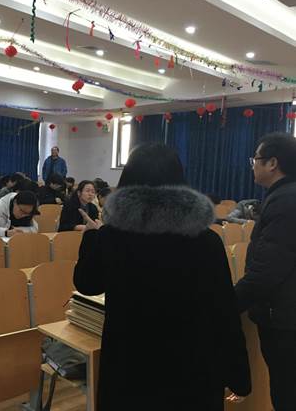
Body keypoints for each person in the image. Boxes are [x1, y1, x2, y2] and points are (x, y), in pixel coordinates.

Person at [73, 143, 251, 410]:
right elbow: (223, 311)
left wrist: (91, 236)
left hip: (129, 368)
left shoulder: (111, 237)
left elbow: (86, 283)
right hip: (193, 370)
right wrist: (239, 375)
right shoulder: (206, 241)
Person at [235, 133, 296, 410]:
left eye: (255, 159)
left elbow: (267, 270)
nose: (253, 165)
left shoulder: (285, 201)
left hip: (283, 319)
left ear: (272, 163)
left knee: (286, 393)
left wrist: (227, 303)